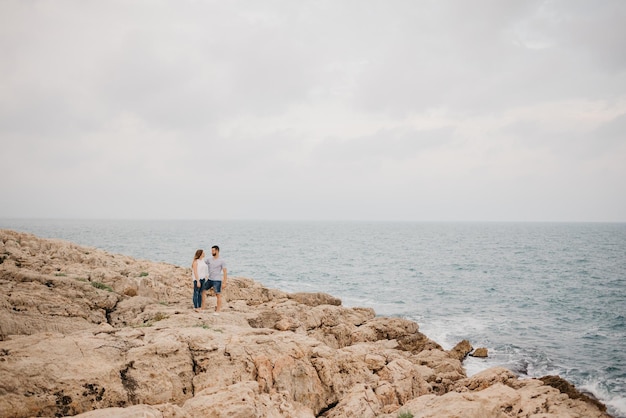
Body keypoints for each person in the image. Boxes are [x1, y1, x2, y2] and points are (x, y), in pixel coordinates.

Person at [203, 245, 227, 315]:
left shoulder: (222, 261)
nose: (212, 252)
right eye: (211, 250)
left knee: (218, 295)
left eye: (213, 251)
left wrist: (224, 283)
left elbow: (225, 272)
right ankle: (203, 308)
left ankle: (218, 311)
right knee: (202, 290)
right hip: (210, 279)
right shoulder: (209, 259)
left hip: (217, 280)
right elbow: (202, 264)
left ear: (217, 251)